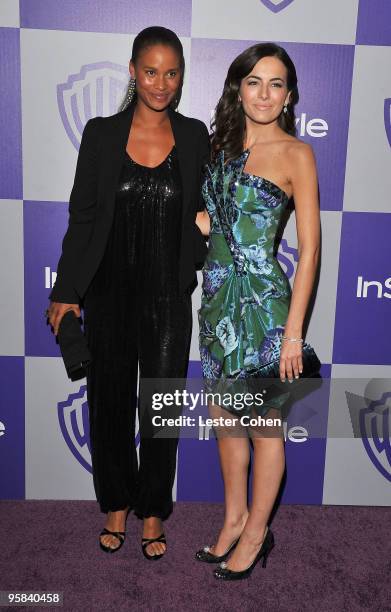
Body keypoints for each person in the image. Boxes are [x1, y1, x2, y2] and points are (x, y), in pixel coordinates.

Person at [48, 26, 209, 559]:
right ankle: (116, 503)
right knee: (110, 404)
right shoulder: (100, 134)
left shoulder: (193, 136)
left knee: (160, 411)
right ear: (133, 71)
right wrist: (67, 290)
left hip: (166, 295)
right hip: (108, 294)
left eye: (171, 72)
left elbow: (203, 217)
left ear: (181, 76)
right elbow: (83, 217)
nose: (160, 83)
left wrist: (206, 236)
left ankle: (154, 510)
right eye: (150, 71)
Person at [195, 42, 320, 580]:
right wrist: (205, 226)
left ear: (289, 95)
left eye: (276, 84)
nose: (264, 93)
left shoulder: (297, 154)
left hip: (264, 306)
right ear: (238, 87)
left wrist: (293, 334)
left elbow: (310, 248)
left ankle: (256, 534)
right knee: (225, 423)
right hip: (217, 300)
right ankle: (233, 520)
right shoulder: (220, 147)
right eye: (254, 81)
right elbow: (213, 219)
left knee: (264, 425)